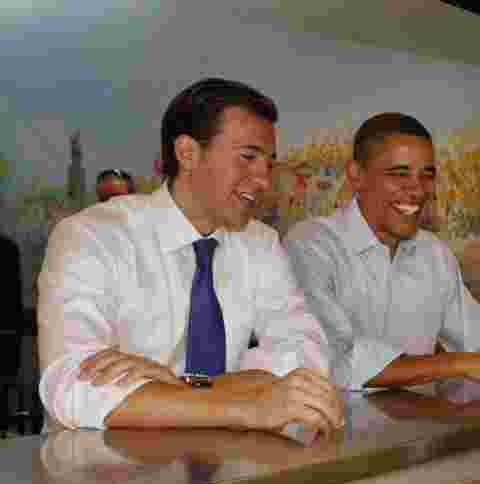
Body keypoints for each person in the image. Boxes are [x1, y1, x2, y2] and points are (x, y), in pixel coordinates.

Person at [37, 78, 343, 438]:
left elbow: (306, 350)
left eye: (268, 163)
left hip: (226, 465)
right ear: (187, 153)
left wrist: (188, 388)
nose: (262, 179)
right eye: (248, 157)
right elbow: (72, 385)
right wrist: (248, 404)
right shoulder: (92, 236)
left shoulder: (260, 244)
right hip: (106, 477)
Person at [284, 113, 480, 393]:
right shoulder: (311, 244)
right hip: (327, 434)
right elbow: (338, 357)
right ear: (356, 175)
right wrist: (460, 364)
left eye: (427, 175)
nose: (417, 189)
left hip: (418, 435)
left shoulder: (434, 253)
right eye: (399, 174)